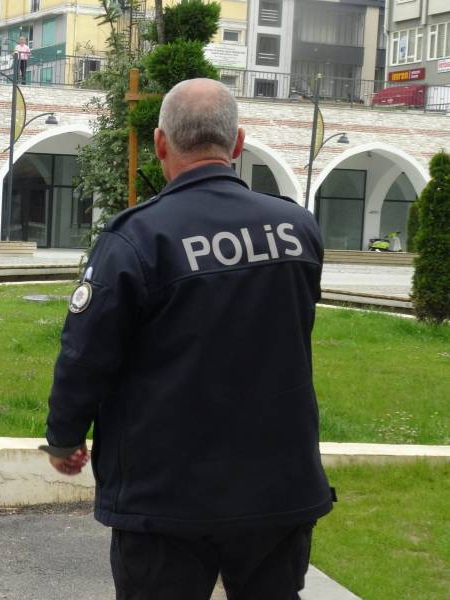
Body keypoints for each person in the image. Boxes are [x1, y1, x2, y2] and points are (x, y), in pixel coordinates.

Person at [43, 78, 334, 599]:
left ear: (160, 145)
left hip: (166, 496)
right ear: (238, 143)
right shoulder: (297, 228)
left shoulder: (137, 238)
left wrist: (65, 437)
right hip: (277, 487)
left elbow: (85, 353)